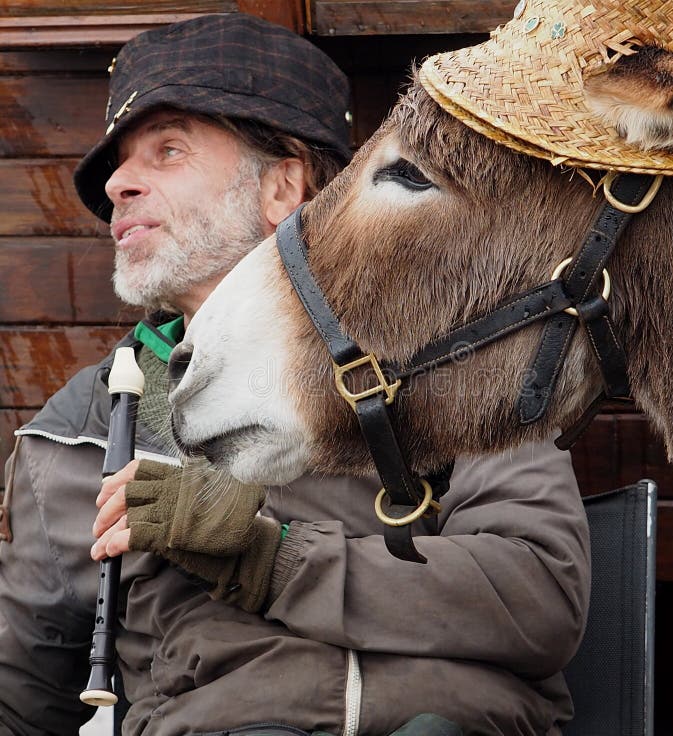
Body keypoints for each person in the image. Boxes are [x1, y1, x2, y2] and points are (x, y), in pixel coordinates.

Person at [0, 13, 590, 736]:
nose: (118, 183)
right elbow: (26, 699)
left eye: (169, 150)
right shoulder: (80, 431)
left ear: (285, 186)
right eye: (122, 162)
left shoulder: (458, 359)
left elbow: (537, 602)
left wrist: (271, 561)